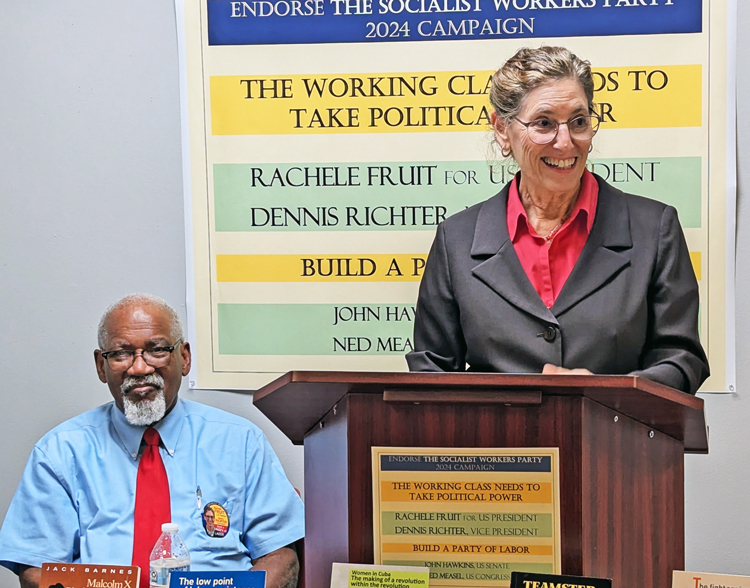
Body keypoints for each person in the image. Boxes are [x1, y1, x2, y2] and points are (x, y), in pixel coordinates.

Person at [406, 46, 709, 394]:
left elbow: (682, 359)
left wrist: (608, 392)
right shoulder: (455, 240)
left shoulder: (655, 229)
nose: (565, 143)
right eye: (544, 123)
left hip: (614, 443)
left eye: (579, 122)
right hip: (498, 447)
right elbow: (431, 372)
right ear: (502, 130)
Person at [0, 294, 304, 588]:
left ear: (184, 358)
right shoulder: (60, 452)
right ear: (100, 366)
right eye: (120, 353)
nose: (139, 368)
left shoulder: (241, 442)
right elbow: (37, 568)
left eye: (156, 349)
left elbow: (280, 555)